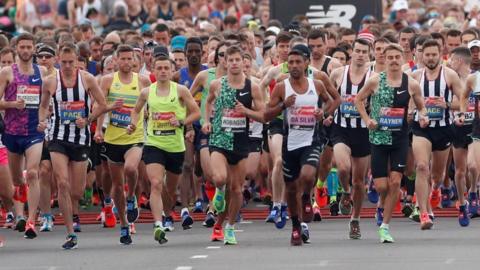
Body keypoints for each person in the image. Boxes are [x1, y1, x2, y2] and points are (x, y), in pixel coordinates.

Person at [354, 43, 428, 243]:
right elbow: (358, 100)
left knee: (395, 182)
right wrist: (367, 120)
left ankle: (385, 227)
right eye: (390, 57)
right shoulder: (375, 81)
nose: (394, 60)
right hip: (378, 138)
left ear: (402, 59)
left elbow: (422, 106)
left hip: (400, 138)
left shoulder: (411, 84)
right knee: (382, 187)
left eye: (397, 57)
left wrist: (423, 116)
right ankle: (381, 194)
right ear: (385, 60)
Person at [38, 42, 109, 249]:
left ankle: (73, 211)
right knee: (62, 183)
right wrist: (42, 121)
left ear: (77, 60)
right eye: (64, 62)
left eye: (71, 62)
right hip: (57, 137)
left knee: (77, 190)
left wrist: (87, 119)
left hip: (80, 139)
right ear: (58, 60)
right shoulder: (51, 82)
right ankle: (70, 233)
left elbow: (102, 104)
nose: (68, 66)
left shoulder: (86, 79)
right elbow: (43, 107)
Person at [264, 44, 336, 245]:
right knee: (291, 188)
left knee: (307, 175)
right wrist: (283, 105)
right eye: (291, 62)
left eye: (298, 62)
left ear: (306, 63)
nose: (294, 65)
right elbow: (266, 115)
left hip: (311, 140)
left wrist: (324, 113)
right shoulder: (281, 87)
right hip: (290, 143)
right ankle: (296, 226)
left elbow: (335, 100)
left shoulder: (318, 84)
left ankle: (307, 197)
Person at [127, 53, 200, 245]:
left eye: (166, 68)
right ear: (153, 70)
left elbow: (196, 112)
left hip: (175, 146)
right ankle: (158, 224)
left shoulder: (181, 90)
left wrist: (182, 122)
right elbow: (135, 110)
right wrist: (133, 124)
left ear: (172, 70)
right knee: (156, 183)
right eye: (159, 68)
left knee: (169, 188)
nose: (163, 71)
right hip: (153, 143)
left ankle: (168, 213)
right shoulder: (147, 92)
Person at [203, 45, 264, 245]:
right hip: (220, 138)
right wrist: (207, 120)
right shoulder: (217, 84)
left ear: (244, 63)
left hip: (240, 140)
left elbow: (262, 115)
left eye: (238, 60)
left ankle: (228, 226)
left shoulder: (252, 86)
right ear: (225, 62)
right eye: (231, 60)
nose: (235, 63)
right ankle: (219, 191)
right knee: (220, 178)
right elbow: (208, 102)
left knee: (237, 189)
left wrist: (246, 112)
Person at [97, 44, 151, 244]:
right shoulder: (108, 80)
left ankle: (132, 199)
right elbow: (100, 106)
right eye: (124, 59)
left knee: (131, 168)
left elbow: (151, 106)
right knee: (117, 186)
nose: (127, 62)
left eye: (130, 59)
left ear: (135, 61)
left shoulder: (143, 80)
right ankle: (124, 225)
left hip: (135, 137)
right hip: (112, 138)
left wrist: (144, 116)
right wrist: (97, 130)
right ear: (116, 61)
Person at [410, 39, 465, 230]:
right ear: (422, 55)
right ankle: (424, 212)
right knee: (422, 166)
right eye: (428, 54)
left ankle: (435, 190)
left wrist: (448, 105)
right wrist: (414, 113)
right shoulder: (415, 76)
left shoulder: (450, 75)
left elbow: (463, 100)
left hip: (443, 129)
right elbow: (409, 102)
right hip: (421, 128)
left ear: (441, 55)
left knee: (437, 175)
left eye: (434, 54)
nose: (431, 58)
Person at [0, 33, 48, 238]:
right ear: (16, 48)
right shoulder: (7, 72)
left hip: (34, 131)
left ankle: (31, 220)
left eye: (29, 47)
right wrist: (12, 104)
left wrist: (46, 115)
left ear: (34, 49)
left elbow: (47, 99)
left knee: (34, 173)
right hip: (12, 132)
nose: (26, 50)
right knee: (18, 178)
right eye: (22, 47)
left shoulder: (42, 71)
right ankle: (21, 202)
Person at [329, 39, 373, 238]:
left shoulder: (374, 77)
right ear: (352, 53)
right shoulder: (338, 74)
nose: (361, 54)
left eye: (364, 51)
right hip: (341, 128)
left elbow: (380, 103)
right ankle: (345, 192)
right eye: (357, 51)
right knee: (344, 167)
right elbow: (329, 97)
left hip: (363, 132)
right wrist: (327, 113)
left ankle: (355, 219)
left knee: (359, 181)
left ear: (369, 54)